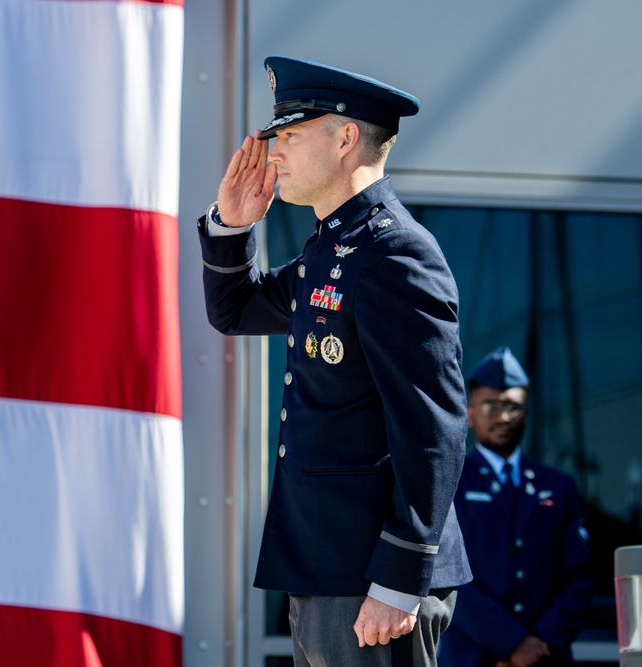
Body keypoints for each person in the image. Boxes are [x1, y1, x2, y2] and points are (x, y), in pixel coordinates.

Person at [196, 56, 471, 666]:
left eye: (291, 134)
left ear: (346, 138)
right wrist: (231, 227)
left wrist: (401, 576)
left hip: (373, 577)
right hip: (330, 566)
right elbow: (237, 311)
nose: (275, 154)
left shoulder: (394, 254)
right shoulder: (336, 247)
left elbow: (434, 427)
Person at [438, 347, 591, 667]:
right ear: (469, 413)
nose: (504, 417)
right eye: (491, 405)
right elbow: (444, 576)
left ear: (527, 414)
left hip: (546, 657)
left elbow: (578, 580)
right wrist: (511, 644)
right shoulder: (449, 483)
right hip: (473, 657)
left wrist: (538, 644)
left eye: (514, 406)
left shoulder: (559, 488)